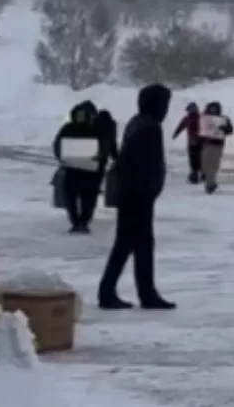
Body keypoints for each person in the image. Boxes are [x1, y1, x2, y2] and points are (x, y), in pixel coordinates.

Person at [98, 84, 176, 310]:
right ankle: (114, 292)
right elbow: (143, 166)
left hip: (133, 195)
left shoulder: (138, 122)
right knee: (129, 244)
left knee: (138, 245)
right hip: (138, 196)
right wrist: (148, 191)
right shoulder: (149, 128)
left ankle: (143, 292)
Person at [52, 101, 102, 233]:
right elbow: (104, 147)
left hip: (72, 169)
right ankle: (83, 222)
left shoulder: (68, 127)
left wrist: (63, 159)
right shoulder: (96, 128)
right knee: (88, 197)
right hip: (89, 171)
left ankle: (76, 222)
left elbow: (57, 144)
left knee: (71, 197)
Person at [198, 101, 233, 194]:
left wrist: (224, 128)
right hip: (206, 143)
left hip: (217, 144)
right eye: (212, 108)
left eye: (215, 108)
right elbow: (199, 130)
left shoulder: (224, 119)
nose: (213, 110)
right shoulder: (205, 118)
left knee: (212, 165)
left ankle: (210, 184)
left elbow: (230, 130)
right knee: (204, 164)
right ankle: (210, 181)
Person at [172, 102, 202, 184]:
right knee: (200, 158)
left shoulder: (187, 118)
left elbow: (180, 127)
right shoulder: (201, 117)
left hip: (192, 141)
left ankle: (194, 176)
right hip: (201, 141)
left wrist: (175, 134)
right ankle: (202, 174)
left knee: (193, 159)